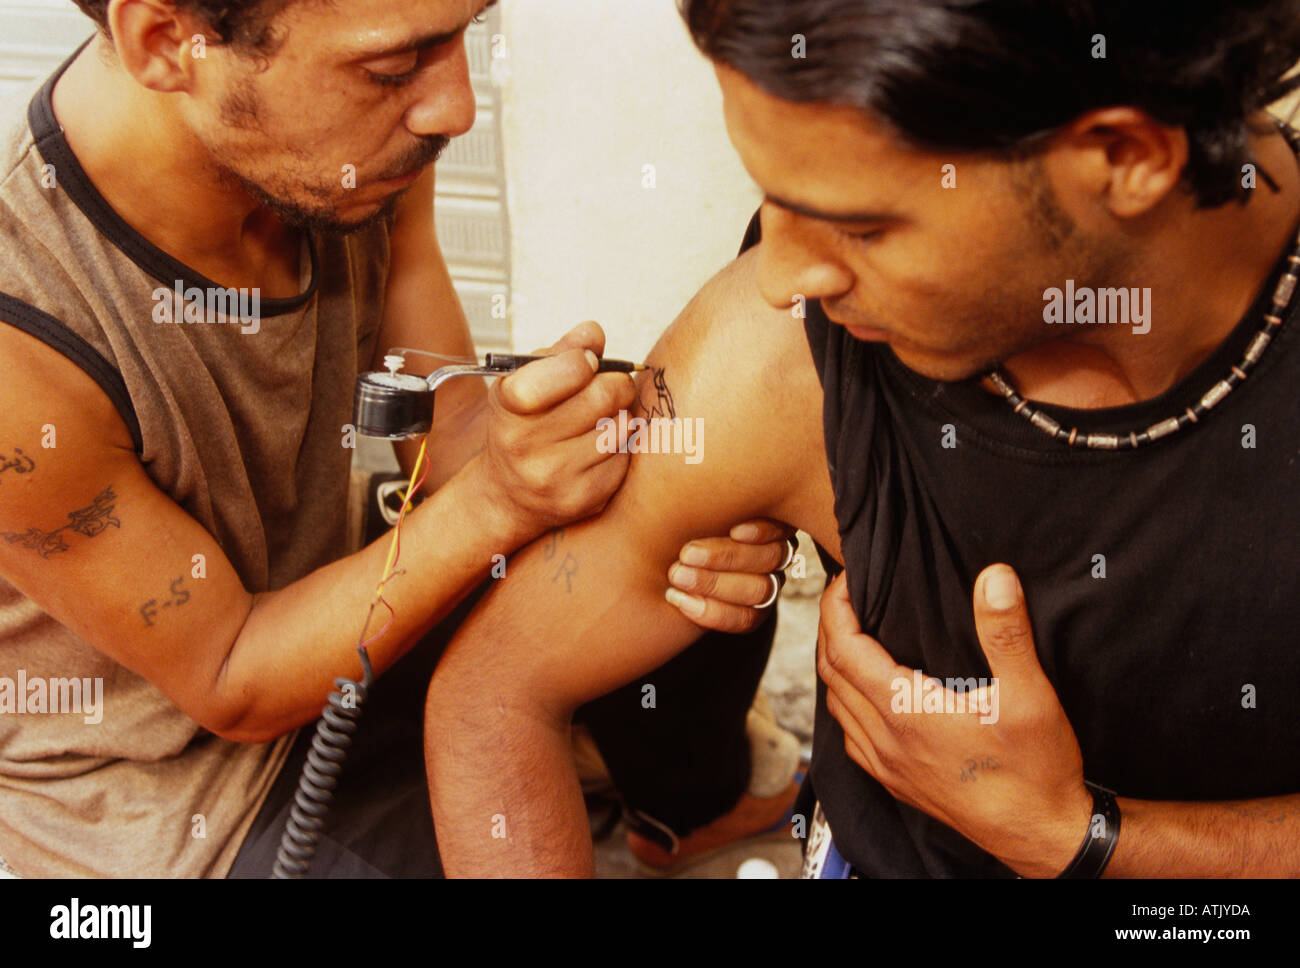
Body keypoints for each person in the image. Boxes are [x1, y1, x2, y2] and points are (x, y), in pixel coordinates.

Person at [425, 0, 1300, 877]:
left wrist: (1083, 839)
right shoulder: (781, 362)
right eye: (771, 197)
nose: (778, 277)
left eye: (862, 225)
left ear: (1124, 157)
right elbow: (494, 697)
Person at [0, 0, 794, 878]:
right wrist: (500, 499)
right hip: (189, 786)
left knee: (678, 456)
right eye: (393, 67)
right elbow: (232, 679)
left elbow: (445, 419)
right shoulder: (22, 337)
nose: (453, 107)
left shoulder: (346, 152)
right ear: (165, 42)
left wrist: (574, 451)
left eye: (464, 36)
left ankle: (683, 810)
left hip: (343, 608)